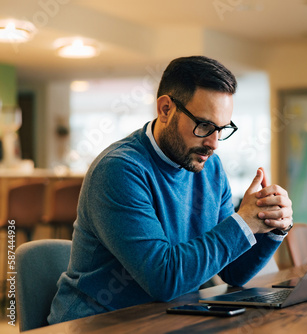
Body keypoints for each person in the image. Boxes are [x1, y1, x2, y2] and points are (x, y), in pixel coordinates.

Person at [48, 56, 293, 324]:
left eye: (222, 129)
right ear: (165, 109)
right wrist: (241, 222)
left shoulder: (210, 168)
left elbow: (233, 272)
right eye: (204, 126)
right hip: (98, 324)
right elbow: (164, 279)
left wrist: (270, 225)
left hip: (171, 318)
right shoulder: (119, 170)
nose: (214, 143)